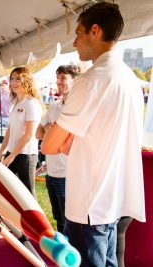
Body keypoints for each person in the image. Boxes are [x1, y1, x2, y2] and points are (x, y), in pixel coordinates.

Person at [41, 3, 146, 266]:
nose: (75, 42)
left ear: (95, 31)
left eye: (78, 33)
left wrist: (66, 141)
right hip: (114, 198)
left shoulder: (91, 80)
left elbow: (49, 144)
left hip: (90, 202)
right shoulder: (130, 80)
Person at [36, 65, 80, 233]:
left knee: (68, 221)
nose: (58, 81)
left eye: (63, 77)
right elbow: (38, 133)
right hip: (51, 173)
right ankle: (63, 253)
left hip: (67, 174)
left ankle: (70, 256)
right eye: (58, 77)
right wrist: (50, 129)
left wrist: (52, 131)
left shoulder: (78, 107)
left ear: (74, 80)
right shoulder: (54, 106)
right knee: (58, 218)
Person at [0, 67, 44, 198]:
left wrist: (11, 156)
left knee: (28, 194)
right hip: (12, 152)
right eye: (12, 79)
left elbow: (29, 135)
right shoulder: (15, 102)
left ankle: (34, 219)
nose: (14, 82)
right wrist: (1, 152)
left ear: (27, 80)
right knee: (6, 188)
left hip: (26, 155)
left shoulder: (31, 103)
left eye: (18, 79)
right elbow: (10, 130)